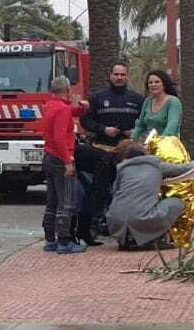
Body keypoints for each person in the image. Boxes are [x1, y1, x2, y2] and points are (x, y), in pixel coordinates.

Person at [81, 62, 142, 234]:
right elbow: (85, 121)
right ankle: (99, 221)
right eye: (116, 74)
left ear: (127, 76)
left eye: (122, 74)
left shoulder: (137, 99)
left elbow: (145, 122)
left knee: (126, 188)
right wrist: (104, 130)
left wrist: (135, 131)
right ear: (110, 76)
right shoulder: (97, 98)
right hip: (102, 151)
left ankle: (128, 222)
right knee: (101, 188)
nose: (119, 77)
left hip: (128, 153)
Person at [106, 141, 194, 249]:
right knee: (177, 203)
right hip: (141, 219)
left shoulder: (122, 169)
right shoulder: (156, 165)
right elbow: (185, 168)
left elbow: (114, 192)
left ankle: (128, 240)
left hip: (115, 220)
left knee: (135, 210)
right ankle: (152, 239)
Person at [40, 75, 85, 254]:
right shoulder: (63, 109)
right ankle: (64, 241)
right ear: (67, 90)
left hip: (49, 157)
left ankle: (50, 239)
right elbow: (60, 137)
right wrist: (68, 162)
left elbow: (67, 110)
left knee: (51, 201)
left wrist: (81, 109)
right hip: (61, 159)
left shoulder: (50, 105)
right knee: (66, 201)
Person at [131, 70, 182, 143]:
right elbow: (140, 125)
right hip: (149, 145)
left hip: (168, 146)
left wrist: (159, 143)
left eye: (157, 82)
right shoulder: (147, 101)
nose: (153, 84)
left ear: (164, 84)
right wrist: (132, 140)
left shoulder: (173, 102)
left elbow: (172, 126)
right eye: (150, 83)